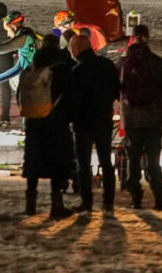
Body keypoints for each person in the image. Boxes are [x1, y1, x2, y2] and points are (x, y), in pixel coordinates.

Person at [117, 24, 162, 211]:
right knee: (153, 160)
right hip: (153, 117)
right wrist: (158, 103)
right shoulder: (156, 61)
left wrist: (126, 103)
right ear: (147, 37)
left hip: (131, 119)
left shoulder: (123, 62)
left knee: (132, 160)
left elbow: (116, 89)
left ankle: (136, 199)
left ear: (132, 37)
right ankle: (159, 197)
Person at [21, 35, 77, 219]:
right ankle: (56, 204)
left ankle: (30, 204)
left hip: (34, 121)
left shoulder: (32, 68)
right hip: (56, 122)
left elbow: (20, 95)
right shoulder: (62, 69)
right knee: (57, 164)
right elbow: (71, 96)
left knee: (34, 162)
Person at [70, 33, 119, 214]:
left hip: (83, 123)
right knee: (106, 162)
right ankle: (108, 201)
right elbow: (116, 90)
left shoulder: (77, 71)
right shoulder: (107, 65)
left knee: (83, 164)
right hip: (104, 120)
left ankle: (87, 202)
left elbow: (73, 99)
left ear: (77, 49)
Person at [0, 11, 38, 82]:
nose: (8, 35)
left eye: (7, 30)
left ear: (14, 27)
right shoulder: (30, 36)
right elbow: (17, 69)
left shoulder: (23, 39)